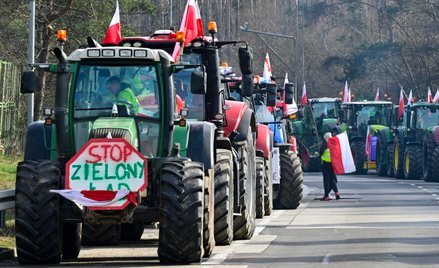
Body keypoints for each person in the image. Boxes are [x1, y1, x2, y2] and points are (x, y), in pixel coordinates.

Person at [319, 132, 340, 201]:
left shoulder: (325, 144)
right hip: (333, 163)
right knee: (333, 179)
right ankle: (337, 193)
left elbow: (321, 152)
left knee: (326, 180)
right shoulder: (334, 143)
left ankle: (326, 195)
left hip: (326, 164)